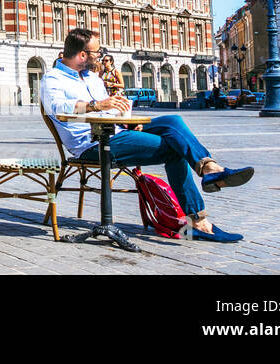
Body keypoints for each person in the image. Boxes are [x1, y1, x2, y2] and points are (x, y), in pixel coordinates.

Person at [40, 28, 254, 242]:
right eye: (97, 52)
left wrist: (122, 114)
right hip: (92, 145)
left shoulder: (93, 79)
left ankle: (209, 168)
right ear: (83, 55)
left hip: (117, 132)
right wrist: (97, 105)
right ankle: (199, 221)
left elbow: (108, 110)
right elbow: (59, 109)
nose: (100, 56)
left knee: (173, 122)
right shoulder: (53, 79)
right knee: (175, 148)